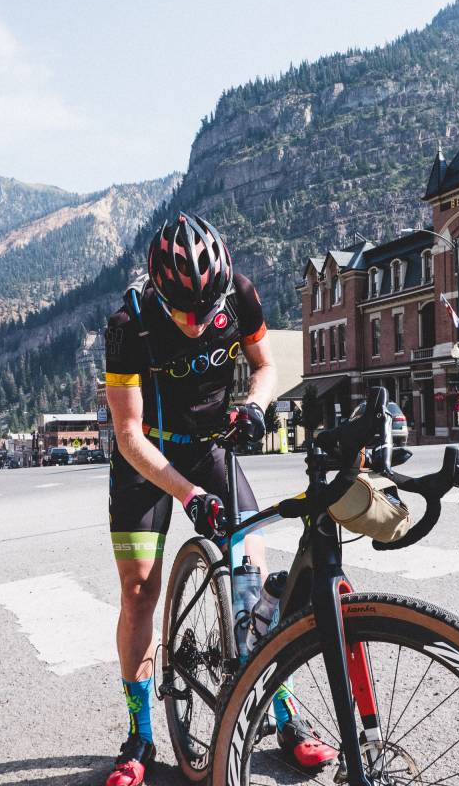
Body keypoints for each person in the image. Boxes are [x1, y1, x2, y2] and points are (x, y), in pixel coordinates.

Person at [103, 213, 336, 786]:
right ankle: (140, 733)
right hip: (148, 460)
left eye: (206, 311)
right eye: (184, 310)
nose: (195, 321)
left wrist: (256, 405)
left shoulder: (241, 297)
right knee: (139, 592)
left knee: (253, 584)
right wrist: (187, 496)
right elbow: (128, 434)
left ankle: (285, 716)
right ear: (160, 290)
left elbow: (265, 366)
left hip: (210, 449)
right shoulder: (130, 322)